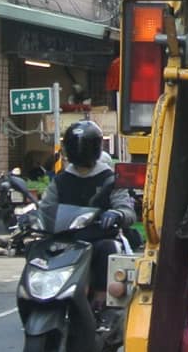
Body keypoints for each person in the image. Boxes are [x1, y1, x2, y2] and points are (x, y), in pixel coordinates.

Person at [38, 119, 138, 302]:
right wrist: (31, 219)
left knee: (109, 247)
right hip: (67, 241)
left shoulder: (110, 179)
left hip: (99, 239)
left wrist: (117, 214)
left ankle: (102, 300)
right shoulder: (60, 181)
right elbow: (46, 208)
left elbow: (127, 210)